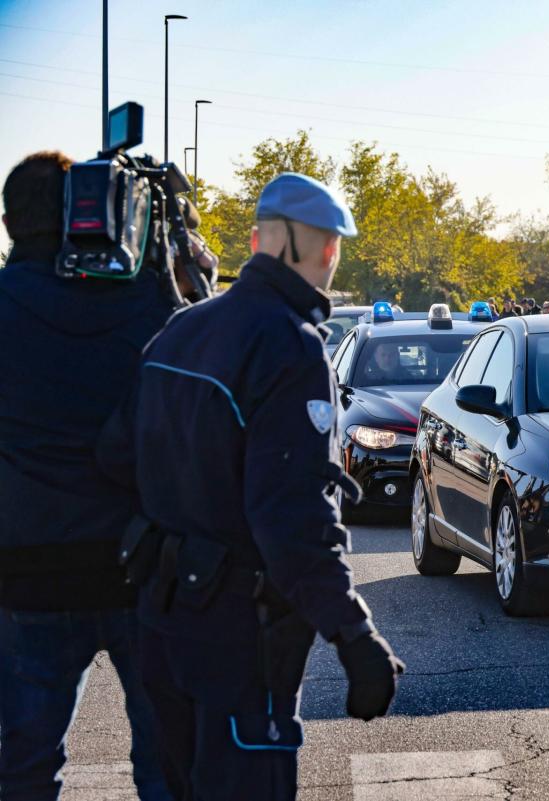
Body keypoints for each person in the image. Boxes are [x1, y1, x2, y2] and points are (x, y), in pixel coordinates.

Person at [98, 173, 403, 800]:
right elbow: (291, 516)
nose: (332, 256)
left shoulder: (182, 329)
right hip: (237, 637)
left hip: (160, 623)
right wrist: (353, 633)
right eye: (331, 242)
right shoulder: (288, 348)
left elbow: (115, 456)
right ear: (300, 245)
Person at [0, 152, 173, 799]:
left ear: (10, 221)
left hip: (27, 574)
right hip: (139, 566)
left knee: (26, 765)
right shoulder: (144, 300)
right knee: (163, 763)